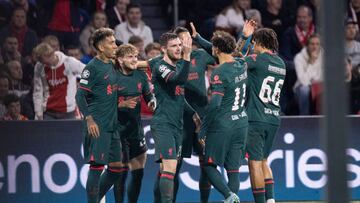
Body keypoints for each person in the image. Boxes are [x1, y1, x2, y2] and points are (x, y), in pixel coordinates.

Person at [195, 30, 248, 203]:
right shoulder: (241, 63)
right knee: (233, 170)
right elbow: (222, 49)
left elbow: (216, 103)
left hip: (223, 125)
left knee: (209, 165)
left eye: (214, 47)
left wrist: (203, 129)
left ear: (217, 50)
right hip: (241, 123)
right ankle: (232, 198)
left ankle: (228, 196)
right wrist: (198, 38)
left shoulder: (219, 73)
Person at [75, 28, 122, 203]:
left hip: (113, 125)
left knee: (117, 168)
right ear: (101, 47)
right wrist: (89, 119)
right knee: (97, 166)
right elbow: (80, 95)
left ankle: (94, 199)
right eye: (111, 42)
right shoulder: (92, 68)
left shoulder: (112, 64)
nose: (115, 45)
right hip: (98, 124)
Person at [241, 23, 286, 203]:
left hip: (256, 117)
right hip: (274, 117)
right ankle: (271, 200)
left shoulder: (256, 59)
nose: (253, 46)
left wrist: (244, 37)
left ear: (259, 42)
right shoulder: (281, 63)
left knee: (254, 163)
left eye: (254, 42)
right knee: (264, 160)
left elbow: (235, 60)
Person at [173, 26, 216, 203]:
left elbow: (217, 53)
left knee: (206, 165)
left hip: (202, 119)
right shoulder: (171, 61)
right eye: (182, 39)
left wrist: (198, 37)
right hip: (182, 121)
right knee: (174, 166)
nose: (186, 42)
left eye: (188, 39)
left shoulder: (199, 56)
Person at [112, 44, 156, 203]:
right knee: (120, 173)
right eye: (130, 57)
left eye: (136, 56)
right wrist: (120, 104)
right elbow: (100, 104)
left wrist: (151, 102)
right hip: (117, 132)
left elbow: (148, 95)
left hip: (135, 130)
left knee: (138, 173)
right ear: (120, 59)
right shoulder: (112, 77)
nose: (134, 60)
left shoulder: (141, 76)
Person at [151, 32, 192, 203]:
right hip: (163, 124)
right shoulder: (160, 66)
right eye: (174, 46)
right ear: (163, 49)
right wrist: (188, 57)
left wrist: (194, 116)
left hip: (177, 126)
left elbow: (180, 99)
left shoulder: (177, 66)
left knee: (165, 170)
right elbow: (178, 80)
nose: (179, 48)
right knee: (170, 168)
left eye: (180, 45)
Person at [33, 42, 85, 120]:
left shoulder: (69, 62)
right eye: (42, 62)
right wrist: (38, 113)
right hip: (48, 112)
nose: (45, 65)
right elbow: (37, 91)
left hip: (68, 112)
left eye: (46, 62)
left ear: (51, 55)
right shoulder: (39, 66)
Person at [294, 34, 323, 115]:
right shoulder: (299, 58)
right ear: (307, 45)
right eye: (312, 44)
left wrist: (314, 80)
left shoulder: (324, 56)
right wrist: (311, 62)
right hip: (300, 89)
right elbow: (303, 81)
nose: (315, 47)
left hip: (319, 86)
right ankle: (304, 118)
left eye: (317, 44)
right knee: (304, 90)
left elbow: (323, 77)